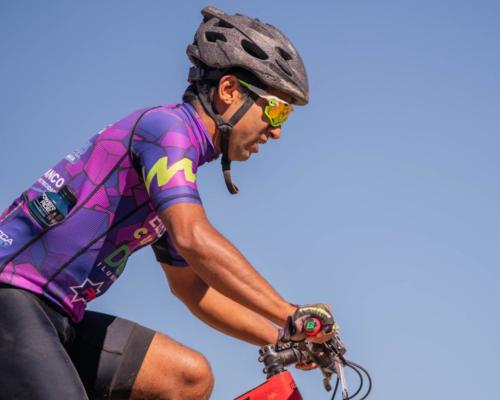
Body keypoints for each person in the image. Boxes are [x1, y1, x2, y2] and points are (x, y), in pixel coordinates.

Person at [0, 6, 335, 400]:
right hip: (12, 298)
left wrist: (285, 337)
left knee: (188, 377)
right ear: (229, 91)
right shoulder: (166, 131)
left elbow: (191, 287)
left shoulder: (176, 168)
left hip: (58, 316)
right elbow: (193, 237)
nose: (276, 131)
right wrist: (291, 313)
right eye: (277, 110)